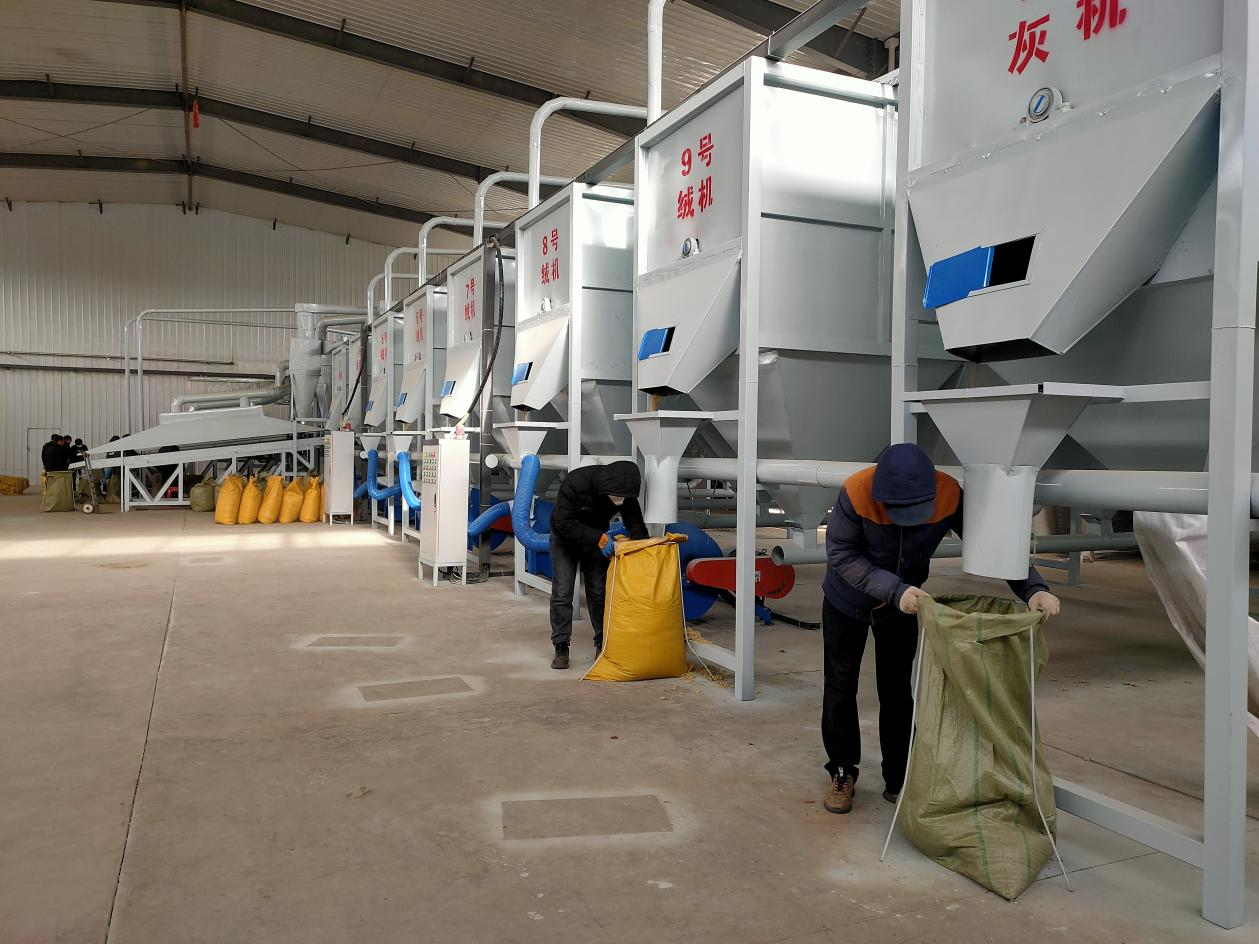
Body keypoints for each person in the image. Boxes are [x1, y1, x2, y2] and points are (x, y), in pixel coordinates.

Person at [820, 443, 1061, 815]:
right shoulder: (856, 491)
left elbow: (991, 543)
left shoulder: (949, 494)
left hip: (905, 603)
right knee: (840, 683)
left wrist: (1033, 588)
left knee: (897, 690)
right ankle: (841, 770)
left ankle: (899, 777)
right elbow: (841, 553)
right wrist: (894, 589)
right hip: (847, 601)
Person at [547, 461, 649, 670]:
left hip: (595, 541)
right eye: (615, 497)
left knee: (598, 592)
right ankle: (561, 646)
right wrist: (599, 538)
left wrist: (643, 550)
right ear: (605, 487)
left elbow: (635, 523)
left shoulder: (624, 491)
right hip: (564, 540)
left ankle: (602, 643)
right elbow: (563, 523)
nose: (619, 501)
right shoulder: (575, 482)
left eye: (624, 498)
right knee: (562, 592)